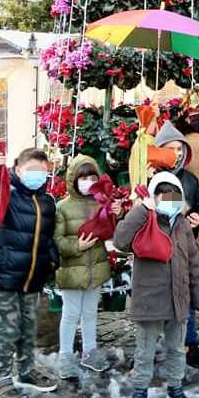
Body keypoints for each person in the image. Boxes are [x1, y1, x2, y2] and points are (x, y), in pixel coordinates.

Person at [0, 148, 59, 398]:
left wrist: (52, 260)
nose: (38, 176)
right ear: (18, 170)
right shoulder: (5, 193)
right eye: (32, 171)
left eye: (43, 172)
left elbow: (47, 237)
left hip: (32, 280)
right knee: (7, 330)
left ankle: (27, 371)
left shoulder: (47, 201)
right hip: (4, 277)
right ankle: (2, 377)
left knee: (28, 329)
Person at [113, 172, 199, 398]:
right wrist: (142, 210)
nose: (170, 201)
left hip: (179, 300)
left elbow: (193, 264)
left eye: (175, 196)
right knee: (144, 350)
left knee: (177, 349)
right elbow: (120, 240)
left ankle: (175, 387)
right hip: (150, 299)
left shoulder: (183, 226)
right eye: (164, 197)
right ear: (154, 198)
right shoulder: (145, 221)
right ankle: (140, 390)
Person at [53, 154, 124, 379]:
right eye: (82, 177)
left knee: (91, 313)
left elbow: (113, 232)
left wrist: (117, 214)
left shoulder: (100, 202)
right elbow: (57, 241)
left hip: (96, 269)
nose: (87, 181)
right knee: (71, 313)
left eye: (92, 176)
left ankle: (90, 351)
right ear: (73, 179)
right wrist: (78, 245)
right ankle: (65, 355)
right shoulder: (62, 207)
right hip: (71, 272)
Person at [153, 121, 199, 371]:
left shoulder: (189, 180)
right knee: (160, 302)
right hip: (157, 251)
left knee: (185, 300)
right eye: (170, 148)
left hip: (185, 249)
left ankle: (188, 346)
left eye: (180, 149)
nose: (176, 153)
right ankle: (159, 348)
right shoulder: (151, 177)